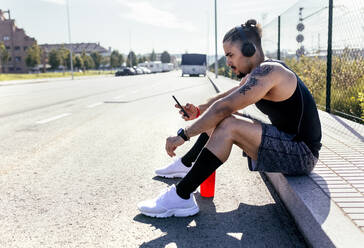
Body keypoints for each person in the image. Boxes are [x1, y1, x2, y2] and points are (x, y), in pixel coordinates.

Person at [137, 19, 322, 218]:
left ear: (249, 50)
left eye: (230, 55)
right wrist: (198, 111)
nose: (227, 62)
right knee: (221, 117)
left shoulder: (271, 72)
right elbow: (224, 98)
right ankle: (185, 167)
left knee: (228, 123)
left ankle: (181, 196)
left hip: (302, 155)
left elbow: (223, 108)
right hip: (289, 143)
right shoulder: (259, 73)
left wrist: (183, 135)